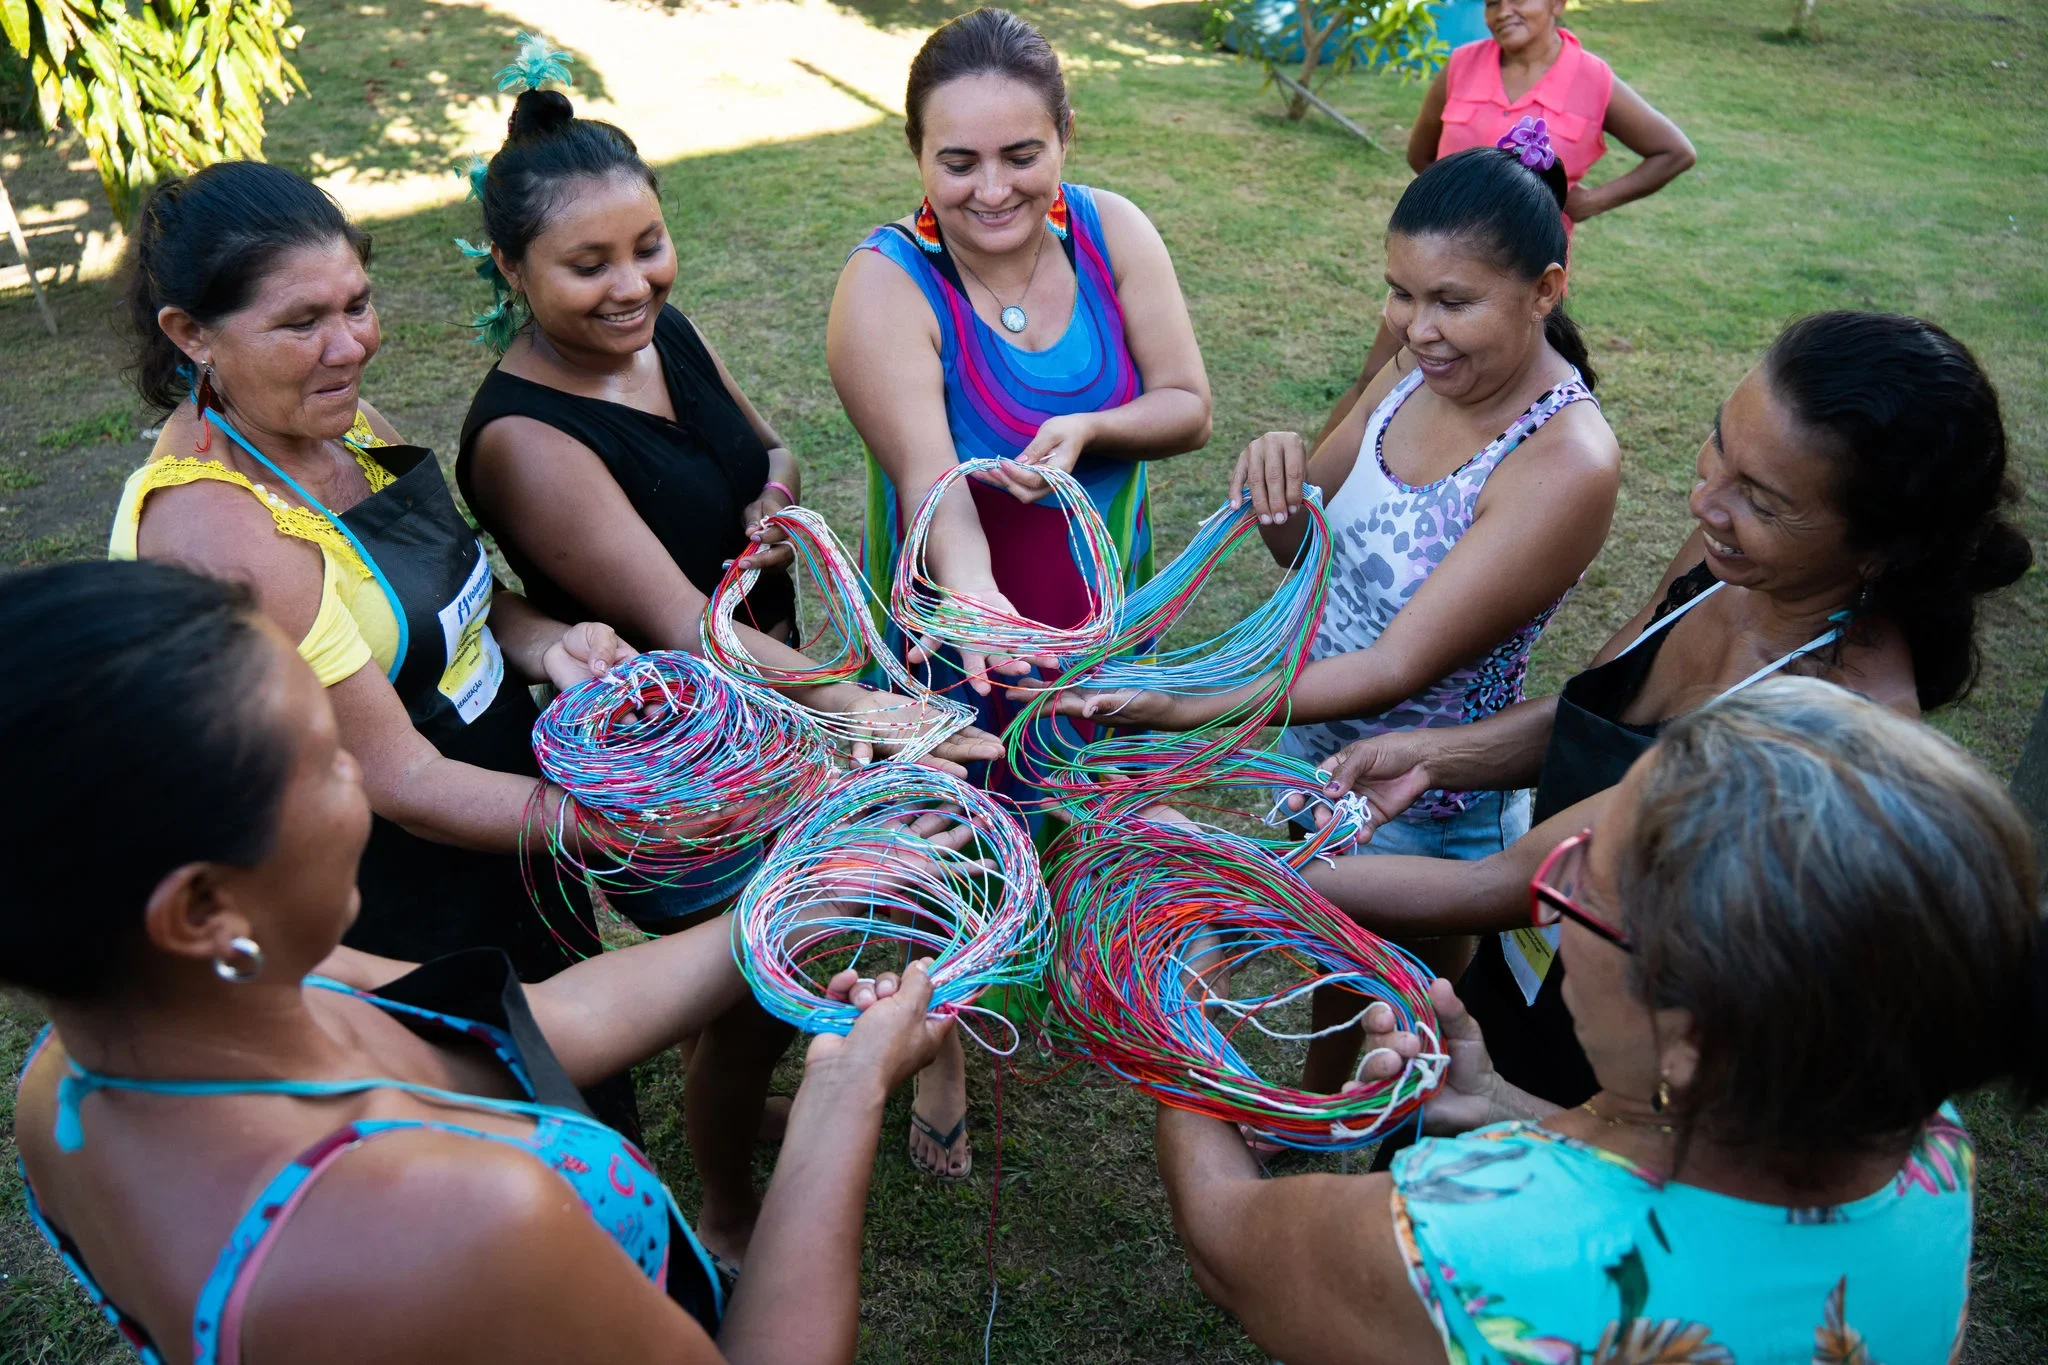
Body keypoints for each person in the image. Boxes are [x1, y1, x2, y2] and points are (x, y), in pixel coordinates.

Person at [7, 558, 953, 1365]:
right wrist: (844, 1093)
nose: (362, 772)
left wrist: (811, 894)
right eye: (326, 759)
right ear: (203, 906)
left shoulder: (77, 1077)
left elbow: (534, 1028)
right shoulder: (452, 1221)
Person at [104, 160, 782, 1259]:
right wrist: (633, 827)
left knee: (577, 1078)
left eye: (357, 304)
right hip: (395, 887)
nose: (352, 345)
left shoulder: (335, 421)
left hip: (508, 824)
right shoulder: (217, 529)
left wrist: (551, 641)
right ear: (191, 334)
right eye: (302, 322)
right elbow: (400, 782)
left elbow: (456, 598)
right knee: (503, 1132)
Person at [1156, 677, 2044, 1365]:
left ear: (1692, 1041)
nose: (1546, 893)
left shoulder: (1484, 1249)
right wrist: (1500, 1102)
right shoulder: (1919, 1135)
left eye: (1586, 890)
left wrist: (1174, 1001)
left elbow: (1229, 1239)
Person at [1303, 311, 2034, 1111]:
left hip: (1620, 1055)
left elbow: (1509, 883)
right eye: (1721, 442)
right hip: (1524, 973)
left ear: (1882, 548)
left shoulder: (1829, 735)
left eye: (1760, 497)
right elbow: (1602, 707)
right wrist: (1441, 756)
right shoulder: (1733, 559)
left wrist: (1237, 877)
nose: (1704, 497)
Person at [1046, 136, 1620, 995]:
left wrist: (1180, 708)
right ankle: (1301, 1133)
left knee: (1403, 1027)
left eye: (1453, 302)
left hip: (1423, 802)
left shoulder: (1563, 461)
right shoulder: (1410, 370)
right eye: (1401, 293)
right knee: (1334, 986)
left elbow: (1395, 669)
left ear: (1545, 290)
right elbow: (1302, 559)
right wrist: (1281, 484)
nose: (1416, 328)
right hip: (1318, 750)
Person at [455, 52, 1000, 931]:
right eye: (588, 266)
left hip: (774, 701)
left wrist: (775, 496)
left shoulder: (664, 332)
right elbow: (683, 625)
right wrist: (855, 704)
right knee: (736, 970)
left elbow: (774, 449)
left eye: (648, 247)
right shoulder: (526, 441)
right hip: (676, 768)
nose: (633, 286)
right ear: (512, 268)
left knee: (795, 948)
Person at [826, 6, 1212, 1178]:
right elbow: (930, 477)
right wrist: (987, 607)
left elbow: (1186, 403)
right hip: (954, 631)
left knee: (1076, 819)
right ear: (916, 159)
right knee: (943, 838)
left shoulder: (1108, 231)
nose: (990, 189)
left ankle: (1103, 992)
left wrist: (1094, 417)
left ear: (1062, 141)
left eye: (1019, 154)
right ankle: (934, 1049)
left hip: (1105, 628)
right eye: (957, 162)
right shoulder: (885, 281)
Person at [1315, 0, 1694, 451]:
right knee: (1377, 380)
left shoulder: (1593, 79)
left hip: (1514, 276)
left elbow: (1674, 151)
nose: (1503, 11)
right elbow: (1422, 156)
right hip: (1437, 273)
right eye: (1492, 2)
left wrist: (1589, 202)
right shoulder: (1460, 65)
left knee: (1490, 409)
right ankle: (1313, 495)